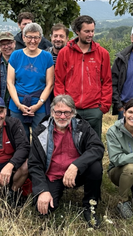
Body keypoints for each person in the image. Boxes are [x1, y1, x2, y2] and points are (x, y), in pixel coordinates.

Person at [29, 95, 105, 227]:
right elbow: (34, 164)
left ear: (73, 113)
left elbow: (97, 148)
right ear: (52, 113)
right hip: (53, 176)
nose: (62, 116)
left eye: (67, 112)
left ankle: (89, 207)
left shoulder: (83, 127)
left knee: (95, 167)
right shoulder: (40, 132)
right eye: (58, 112)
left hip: (77, 174)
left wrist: (76, 165)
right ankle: (53, 193)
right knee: (44, 210)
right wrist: (42, 190)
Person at [54, 15, 112, 138]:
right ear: (77, 31)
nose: (90, 34)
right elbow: (59, 81)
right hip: (71, 108)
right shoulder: (64, 53)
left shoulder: (103, 54)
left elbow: (107, 81)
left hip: (94, 108)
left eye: (92, 31)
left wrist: (104, 106)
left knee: (94, 144)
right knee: (71, 143)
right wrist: (62, 105)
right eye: (86, 31)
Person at [7, 23, 54, 140]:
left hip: (40, 105)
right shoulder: (15, 55)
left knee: (41, 138)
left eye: (36, 37)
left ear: (40, 38)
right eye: (29, 37)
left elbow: (49, 84)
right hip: (17, 104)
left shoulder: (47, 57)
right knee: (20, 138)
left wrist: (38, 104)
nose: (32, 41)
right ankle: (23, 159)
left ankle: (37, 159)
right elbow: (10, 82)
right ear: (23, 37)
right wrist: (18, 104)